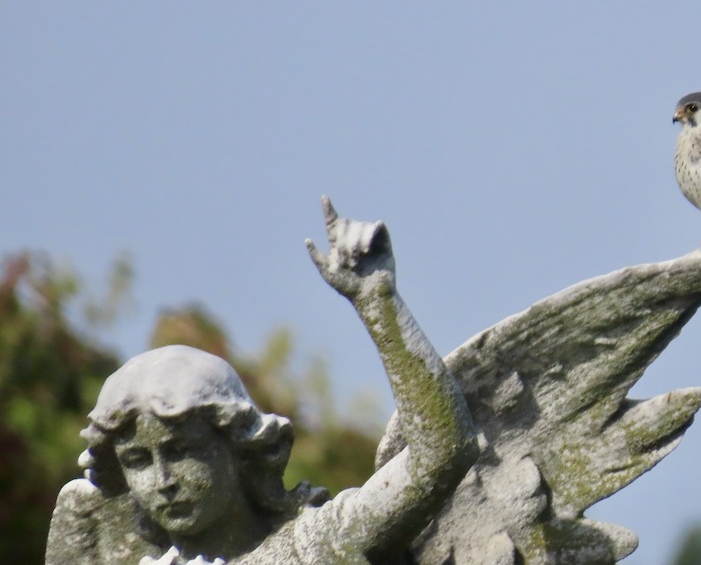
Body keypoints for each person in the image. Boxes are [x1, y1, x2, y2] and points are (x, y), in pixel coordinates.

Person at [47, 200, 479, 564]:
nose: (163, 481)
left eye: (181, 451)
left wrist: (377, 301)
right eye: (138, 460)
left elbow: (441, 455)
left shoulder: (313, 547)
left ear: (238, 448)